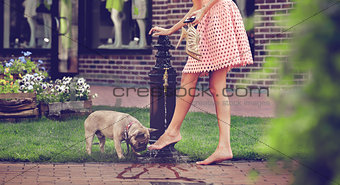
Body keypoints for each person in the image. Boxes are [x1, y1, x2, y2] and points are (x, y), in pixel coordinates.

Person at [148, 0, 253, 165]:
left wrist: (203, 11)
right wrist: (171, 30)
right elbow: (197, 6)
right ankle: (223, 146)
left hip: (219, 17)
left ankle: (173, 132)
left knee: (194, 78)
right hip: (212, 16)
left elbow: (203, 6)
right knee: (214, 86)